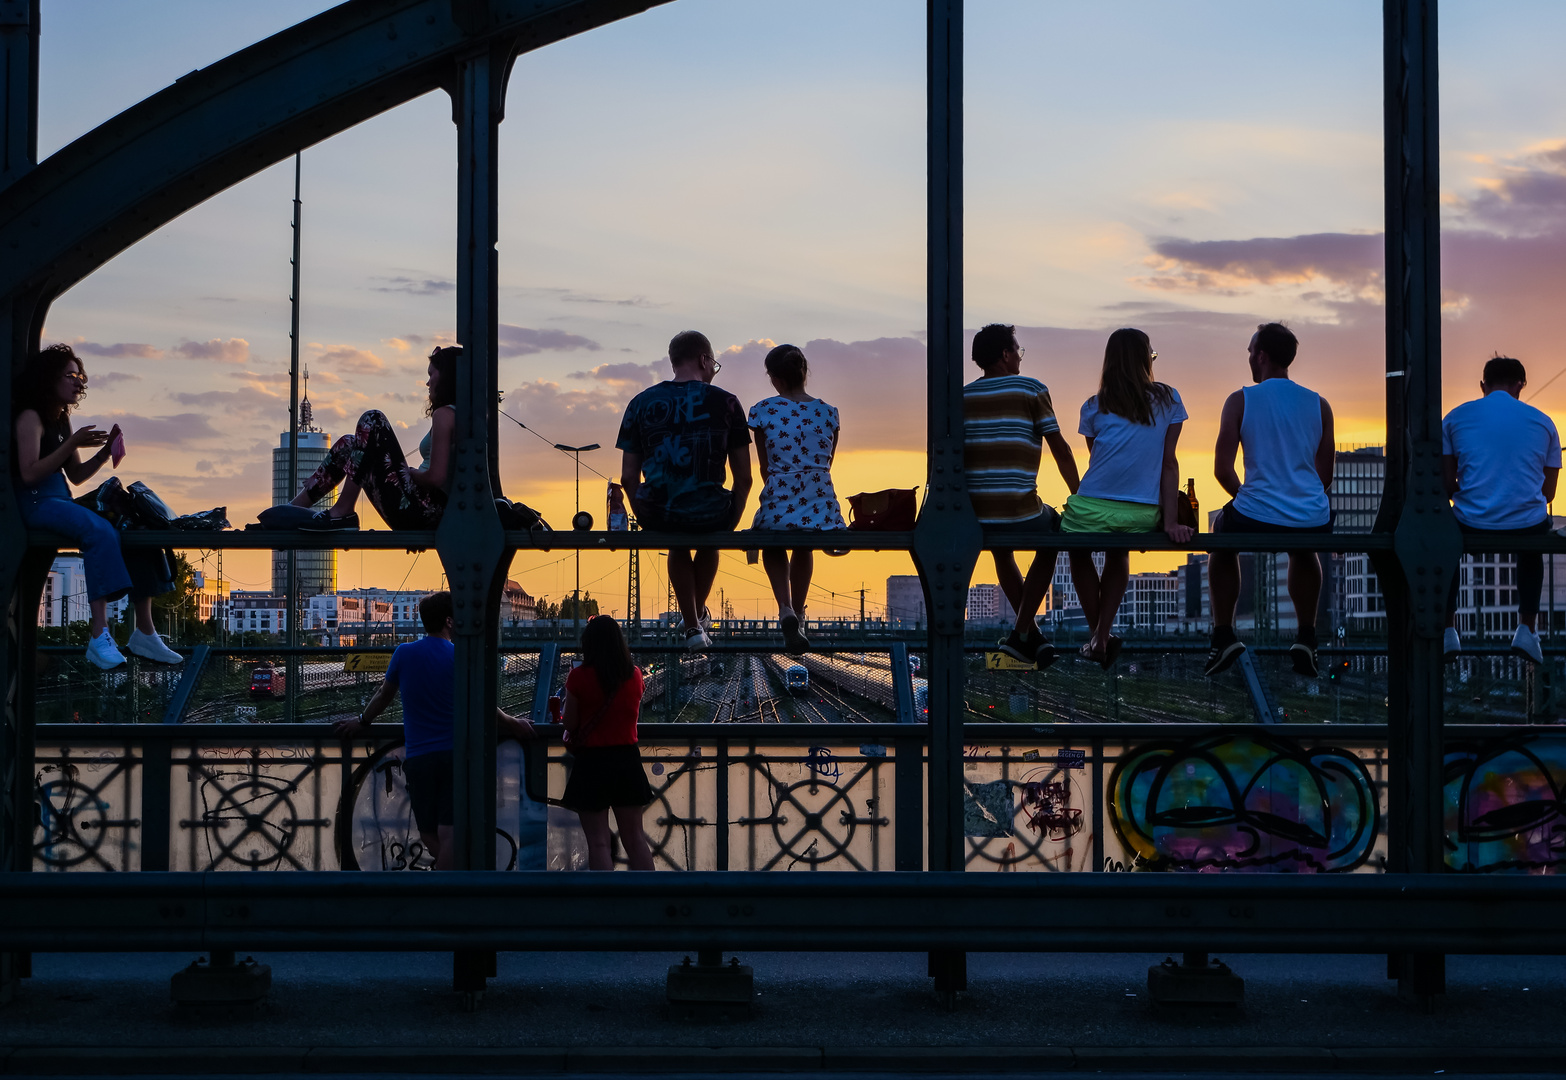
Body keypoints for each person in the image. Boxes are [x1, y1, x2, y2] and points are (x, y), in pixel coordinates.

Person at [332, 591, 533, 869]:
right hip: (455, 756)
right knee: (450, 831)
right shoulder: (460, 656)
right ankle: (452, 885)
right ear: (450, 621)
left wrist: (362, 721)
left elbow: (384, 694)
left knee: (428, 832)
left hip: (419, 758)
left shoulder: (404, 653)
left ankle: (447, 880)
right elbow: (482, 703)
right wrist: (514, 723)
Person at [12, 343, 182, 670]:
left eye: (80, 376)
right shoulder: (31, 417)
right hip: (36, 502)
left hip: (60, 498)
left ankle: (144, 632)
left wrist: (104, 454)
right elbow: (29, 472)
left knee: (130, 522)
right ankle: (99, 635)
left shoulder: (61, 420)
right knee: (98, 530)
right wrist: (72, 444)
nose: (78, 382)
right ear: (49, 379)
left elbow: (75, 475)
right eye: (70, 375)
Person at [1206, 323, 1335, 679]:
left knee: (1220, 535)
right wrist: (1298, 501)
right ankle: (1306, 637)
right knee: (1304, 547)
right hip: (1310, 514)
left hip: (1255, 511)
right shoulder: (1319, 404)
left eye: (1250, 351)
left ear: (1261, 356)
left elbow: (1221, 469)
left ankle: (1223, 635)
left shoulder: (1241, 399)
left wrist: (1248, 499)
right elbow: (1325, 476)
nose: (1249, 357)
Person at [1062, 329, 1194, 668]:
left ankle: (1099, 637)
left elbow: (1099, 462)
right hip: (1140, 512)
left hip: (1090, 506)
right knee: (1117, 554)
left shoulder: (1093, 406)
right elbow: (1167, 463)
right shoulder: (1168, 400)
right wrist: (1170, 522)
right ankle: (1100, 637)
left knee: (1077, 553)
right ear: (1145, 359)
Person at [617, 330, 753, 649]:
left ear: (674, 361)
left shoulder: (640, 403)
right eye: (714, 365)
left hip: (658, 512)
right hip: (712, 511)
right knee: (710, 542)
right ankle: (696, 617)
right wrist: (732, 515)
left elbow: (627, 478)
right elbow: (744, 477)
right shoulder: (727, 402)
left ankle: (693, 623)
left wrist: (645, 512)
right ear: (705, 360)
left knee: (677, 543)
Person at [963, 323, 1081, 668]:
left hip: (978, 513)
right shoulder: (1032, 389)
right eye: (1018, 351)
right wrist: (1080, 496)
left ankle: (1033, 637)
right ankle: (1021, 633)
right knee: (1054, 531)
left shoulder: (963, 396)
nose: (1019, 357)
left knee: (1003, 552)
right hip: (1021, 509)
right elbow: (1060, 449)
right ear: (1005, 354)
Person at [1441, 356, 1561, 664]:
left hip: (1470, 520)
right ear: (1520, 385)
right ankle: (1527, 627)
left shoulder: (1454, 418)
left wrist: (1471, 496)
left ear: (1482, 385)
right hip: (1526, 524)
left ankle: (1448, 629)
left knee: (1444, 542)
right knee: (1534, 541)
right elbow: (1548, 494)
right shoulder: (1545, 422)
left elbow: (1445, 482)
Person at [287, 345, 460, 531]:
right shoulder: (457, 415)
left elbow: (436, 477)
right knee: (350, 444)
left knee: (373, 419)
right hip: (421, 507)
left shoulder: (445, 415)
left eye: (431, 375)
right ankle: (293, 509)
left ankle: (342, 510)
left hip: (424, 508)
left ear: (446, 377)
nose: (427, 383)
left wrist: (411, 474)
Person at [747, 344, 846, 654]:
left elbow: (765, 466)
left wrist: (781, 491)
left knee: (771, 541)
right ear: (805, 373)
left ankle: (785, 608)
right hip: (820, 499)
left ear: (775, 379)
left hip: (779, 493)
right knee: (805, 544)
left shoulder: (762, 410)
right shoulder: (829, 413)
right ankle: (800, 615)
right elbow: (826, 462)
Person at [559, 615, 655, 871]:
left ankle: (606, 903)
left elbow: (569, 723)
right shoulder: (634, 675)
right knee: (635, 838)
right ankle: (650, 898)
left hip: (592, 763)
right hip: (627, 761)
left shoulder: (578, 677)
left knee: (598, 843)